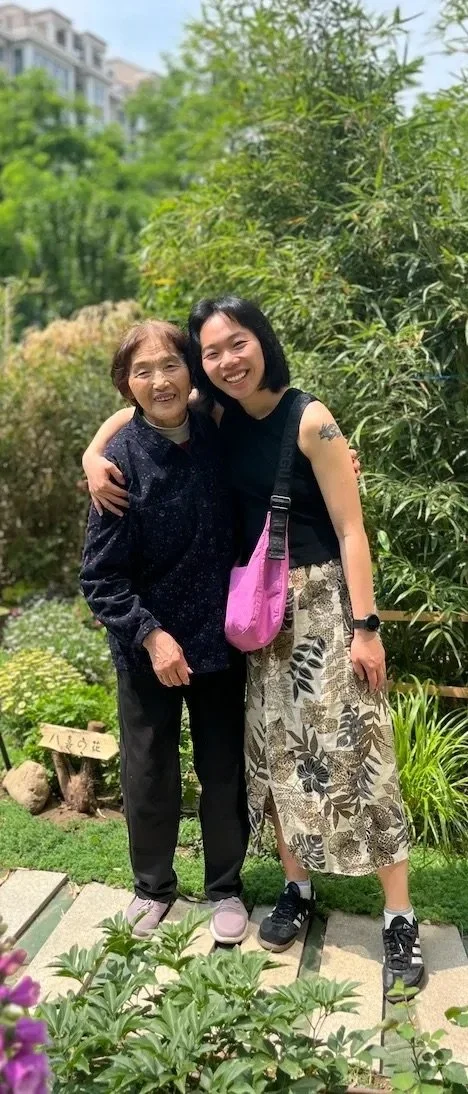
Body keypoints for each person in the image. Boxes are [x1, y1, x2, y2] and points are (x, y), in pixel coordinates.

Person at [82, 299, 423, 1000]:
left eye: (233, 345)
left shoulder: (272, 418)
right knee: (232, 764)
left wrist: (368, 625)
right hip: (205, 628)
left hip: (284, 616)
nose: (223, 361)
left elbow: (348, 524)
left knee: (315, 759)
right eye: (211, 352)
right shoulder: (169, 438)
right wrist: (91, 453)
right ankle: (233, 888)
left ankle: (375, 910)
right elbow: (136, 417)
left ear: (258, 343)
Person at [80, 319, 250, 945]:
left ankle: (226, 888)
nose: (160, 380)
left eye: (170, 365)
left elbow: (278, 454)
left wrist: (337, 463)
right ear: (127, 385)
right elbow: (99, 577)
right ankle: (153, 887)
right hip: (147, 646)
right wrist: (152, 636)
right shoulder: (119, 464)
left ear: (191, 371)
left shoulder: (215, 430)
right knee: (150, 770)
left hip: (219, 638)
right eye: (142, 371)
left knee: (223, 769)